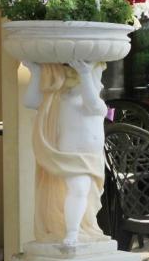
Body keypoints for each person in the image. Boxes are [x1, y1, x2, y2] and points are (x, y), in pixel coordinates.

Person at [23, 60, 111, 246]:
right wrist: (36, 72)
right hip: (68, 156)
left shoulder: (97, 103)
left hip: (92, 159)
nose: (100, 83)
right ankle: (72, 232)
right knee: (79, 189)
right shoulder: (60, 99)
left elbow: (93, 105)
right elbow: (30, 102)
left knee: (84, 193)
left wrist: (86, 74)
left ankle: (77, 229)